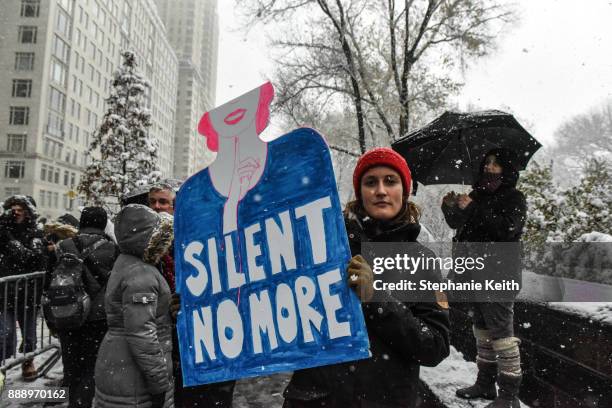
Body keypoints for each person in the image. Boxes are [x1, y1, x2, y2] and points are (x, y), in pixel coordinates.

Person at [282, 147, 451, 408]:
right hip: (317, 398)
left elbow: (435, 347)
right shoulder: (325, 246)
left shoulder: (422, 260)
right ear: (360, 192)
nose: (380, 190)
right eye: (370, 182)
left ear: (404, 192)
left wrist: (376, 299)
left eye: (390, 181)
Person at [442, 148, 526, 408]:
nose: (489, 167)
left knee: (502, 333)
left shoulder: (514, 198)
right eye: (487, 163)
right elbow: (461, 225)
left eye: (496, 164)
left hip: (499, 273)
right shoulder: (477, 194)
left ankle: (509, 396)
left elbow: (506, 230)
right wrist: (450, 208)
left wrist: (475, 208)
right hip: (473, 272)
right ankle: (485, 384)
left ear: (507, 169)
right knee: (482, 330)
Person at [149, 184, 236, 408]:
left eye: (163, 202)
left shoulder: (223, 243)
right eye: (153, 202)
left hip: (214, 340)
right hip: (180, 341)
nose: (157, 207)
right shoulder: (154, 246)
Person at [94, 204, 174, 408]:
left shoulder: (125, 262)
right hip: (135, 376)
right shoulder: (142, 274)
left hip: (119, 363)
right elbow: (142, 334)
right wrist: (159, 382)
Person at [54, 207, 118, 408]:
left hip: (69, 314)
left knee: (71, 368)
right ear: (103, 223)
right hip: (98, 318)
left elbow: (49, 281)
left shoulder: (63, 246)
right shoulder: (113, 249)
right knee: (91, 367)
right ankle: (86, 401)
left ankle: (74, 402)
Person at [198, 81, 274, 233]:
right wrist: (232, 204)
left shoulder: (298, 156)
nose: (234, 105)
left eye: (248, 94)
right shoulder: (194, 194)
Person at [0, 195, 46, 380]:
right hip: (4, 294)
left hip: (28, 294)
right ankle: (3, 365)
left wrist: (13, 243)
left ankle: (28, 362)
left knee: (29, 336)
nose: (16, 213)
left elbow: (35, 258)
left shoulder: (36, 232)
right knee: (5, 334)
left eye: (20, 209)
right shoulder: (3, 230)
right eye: (13, 209)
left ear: (28, 212)